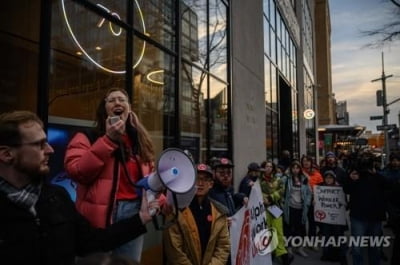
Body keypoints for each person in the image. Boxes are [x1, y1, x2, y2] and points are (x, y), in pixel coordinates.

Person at [0, 110, 157, 265]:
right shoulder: (86, 137)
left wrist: (140, 219)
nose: (50, 150)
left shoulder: (57, 197)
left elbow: (91, 242)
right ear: (7, 154)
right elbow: (79, 170)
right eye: (39, 145)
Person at [64, 88, 159, 262]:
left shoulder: (139, 141)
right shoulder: (86, 136)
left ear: (129, 108)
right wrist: (108, 140)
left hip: (134, 214)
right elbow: (77, 172)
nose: (117, 103)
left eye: (122, 100)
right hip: (99, 215)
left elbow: (150, 178)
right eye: (112, 100)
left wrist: (158, 201)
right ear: (104, 109)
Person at [163, 163, 230, 265]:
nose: (200, 183)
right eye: (196, 178)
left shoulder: (219, 213)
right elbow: (174, 250)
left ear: (211, 184)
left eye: (205, 179)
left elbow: (223, 247)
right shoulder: (176, 210)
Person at [343, 152, 387, 265]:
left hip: (375, 216)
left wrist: (375, 173)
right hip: (358, 216)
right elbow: (346, 189)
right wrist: (351, 178)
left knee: (375, 247)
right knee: (357, 248)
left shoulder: (379, 176)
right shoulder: (355, 174)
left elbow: (388, 187)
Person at [259, 160, 293, 265]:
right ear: (263, 168)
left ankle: (284, 256)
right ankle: (271, 253)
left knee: (278, 231)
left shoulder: (278, 179)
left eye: (270, 166)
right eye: (266, 166)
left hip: (275, 208)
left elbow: (282, 191)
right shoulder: (259, 180)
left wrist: (271, 197)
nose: (268, 168)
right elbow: (257, 192)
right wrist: (264, 198)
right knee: (267, 232)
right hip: (264, 209)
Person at [282, 160, 312, 258]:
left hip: (301, 208)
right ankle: (289, 248)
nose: (295, 170)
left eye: (297, 168)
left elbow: (309, 193)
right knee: (289, 229)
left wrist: (307, 203)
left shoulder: (304, 179)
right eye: (293, 168)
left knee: (301, 229)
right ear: (291, 169)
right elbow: (280, 187)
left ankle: (299, 248)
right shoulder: (287, 179)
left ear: (300, 169)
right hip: (290, 208)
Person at [317, 170, 348, 265]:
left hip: (337, 218)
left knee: (338, 236)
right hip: (326, 219)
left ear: (334, 178)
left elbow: (345, 203)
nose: (328, 179)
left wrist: (343, 203)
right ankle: (327, 254)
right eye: (327, 177)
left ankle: (341, 255)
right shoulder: (320, 189)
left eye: (330, 177)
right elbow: (318, 202)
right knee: (326, 236)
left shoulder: (339, 188)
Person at [300, 155, 323, 243]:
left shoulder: (317, 174)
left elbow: (320, 189)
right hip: (301, 200)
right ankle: (301, 240)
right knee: (302, 221)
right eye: (304, 161)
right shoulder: (299, 172)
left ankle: (312, 241)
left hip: (313, 200)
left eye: (308, 161)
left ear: (311, 162)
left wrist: (316, 199)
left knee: (312, 222)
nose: (306, 162)